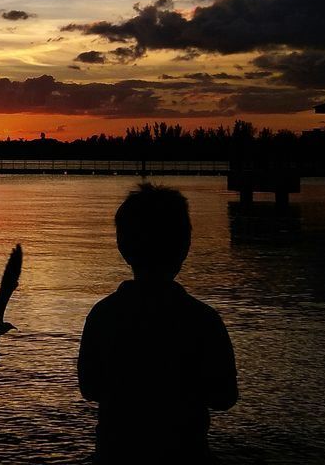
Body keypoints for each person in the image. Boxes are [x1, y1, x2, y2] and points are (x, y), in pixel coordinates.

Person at [78, 184, 238, 463]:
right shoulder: (202, 320)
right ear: (185, 245)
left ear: (123, 246)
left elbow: (90, 389)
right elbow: (224, 398)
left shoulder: (103, 315)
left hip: (117, 454)